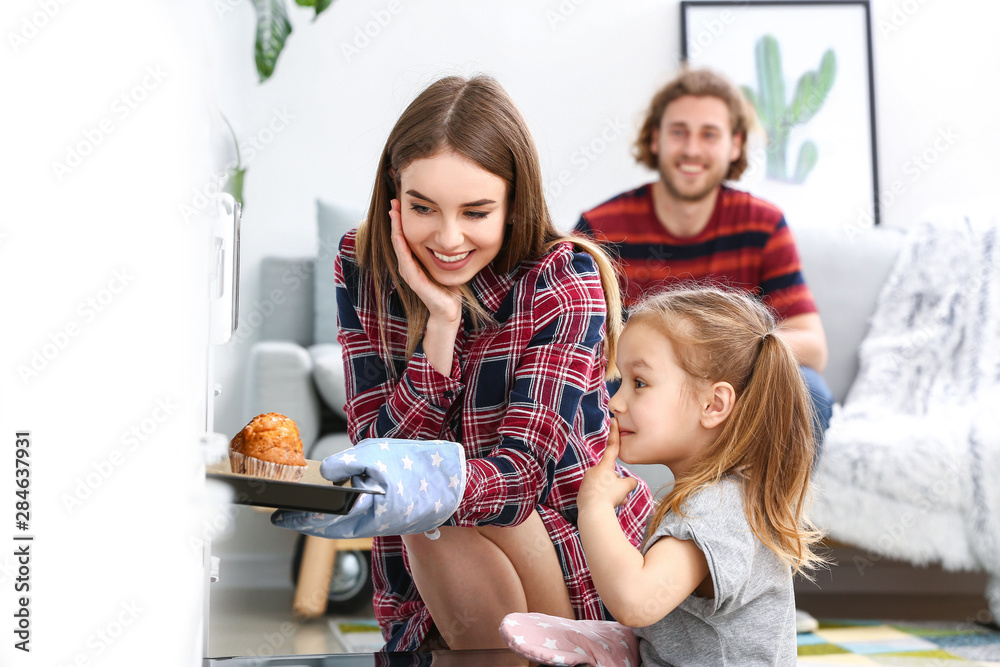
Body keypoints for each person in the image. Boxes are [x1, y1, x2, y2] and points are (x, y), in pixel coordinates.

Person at [274, 75, 653, 652]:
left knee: (428, 504)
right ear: (394, 195)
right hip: (429, 557)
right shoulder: (363, 264)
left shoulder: (562, 279)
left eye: (476, 213)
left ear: (513, 203)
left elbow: (521, 478)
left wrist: (418, 486)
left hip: (562, 544)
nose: (447, 239)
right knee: (425, 515)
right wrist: (439, 332)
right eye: (423, 209)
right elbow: (377, 445)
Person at [500, 286, 825, 666]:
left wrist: (595, 507)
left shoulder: (716, 508)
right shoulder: (715, 497)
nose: (615, 401)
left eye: (639, 383)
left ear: (713, 404)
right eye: (620, 382)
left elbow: (637, 603)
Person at [574, 68, 834, 441]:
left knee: (812, 393)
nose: (692, 149)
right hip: (630, 382)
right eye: (679, 131)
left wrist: (712, 354)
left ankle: (762, 503)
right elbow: (565, 336)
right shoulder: (601, 229)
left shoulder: (762, 225)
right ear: (654, 140)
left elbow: (813, 346)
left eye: (709, 134)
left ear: (735, 145)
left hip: (729, 383)